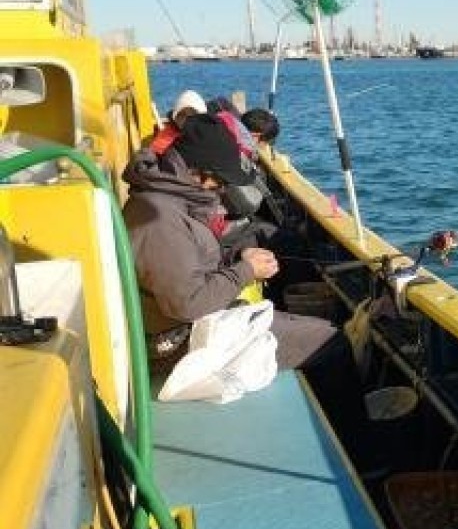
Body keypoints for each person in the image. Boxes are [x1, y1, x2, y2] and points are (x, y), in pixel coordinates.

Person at [122, 112, 342, 376]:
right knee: (331, 342)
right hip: (179, 344)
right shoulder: (158, 220)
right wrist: (246, 271)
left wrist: (238, 255)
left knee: (317, 330)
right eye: (222, 181)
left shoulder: (171, 200)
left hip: (197, 325)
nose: (224, 189)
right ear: (200, 173)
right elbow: (186, 304)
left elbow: (191, 265)